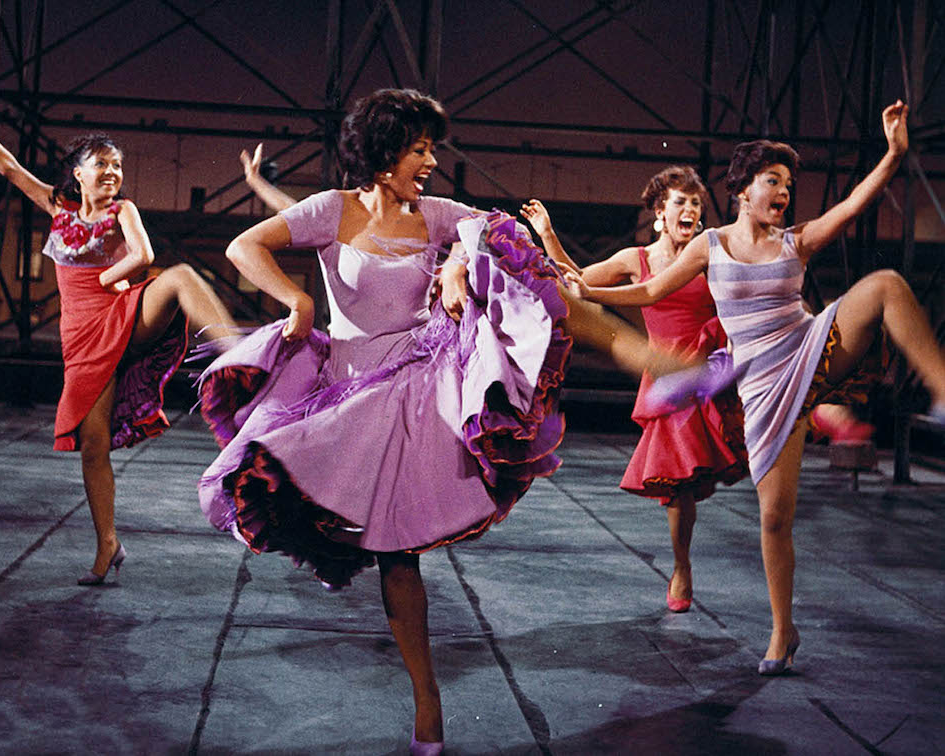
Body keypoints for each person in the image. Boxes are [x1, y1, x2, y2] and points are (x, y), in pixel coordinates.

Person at [199, 88, 579, 755]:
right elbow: (242, 247)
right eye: (419, 148)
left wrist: (460, 263)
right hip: (343, 392)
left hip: (412, 393)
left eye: (432, 148)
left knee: (397, 557)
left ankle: (426, 702)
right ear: (383, 155)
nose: (431, 161)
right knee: (338, 529)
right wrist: (296, 300)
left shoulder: (433, 213)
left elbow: (486, 232)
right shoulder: (330, 211)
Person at [575, 100, 945, 675]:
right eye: (773, 181)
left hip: (810, 350)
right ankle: (784, 630)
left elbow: (851, 206)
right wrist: (589, 291)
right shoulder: (712, 246)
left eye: (790, 184)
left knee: (888, 285)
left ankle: (944, 394)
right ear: (743, 189)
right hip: (763, 389)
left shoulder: (796, 241)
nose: (784, 192)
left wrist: (894, 155)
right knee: (774, 519)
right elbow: (650, 293)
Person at [0, 102, 238, 585]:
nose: (112, 172)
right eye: (102, 165)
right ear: (78, 175)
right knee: (93, 448)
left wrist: (111, 279)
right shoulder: (59, 208)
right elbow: (11, 170)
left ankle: (240, 352)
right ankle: (108, 544)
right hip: (81, 340)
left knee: (179, 276)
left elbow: (144, 255)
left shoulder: (125, 211)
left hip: (121, 315)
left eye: (117, 165)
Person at [522, 167, 749, 614]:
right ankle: (681, 567)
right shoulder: (637, 260)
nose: (690, 210)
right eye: (681, 202)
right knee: (678, 484)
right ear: (660, 213)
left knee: (744, 458)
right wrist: (548, 236)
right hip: (668, 382)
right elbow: (579, 281)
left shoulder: (711, 255)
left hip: (715, 367)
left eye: (696, 203)